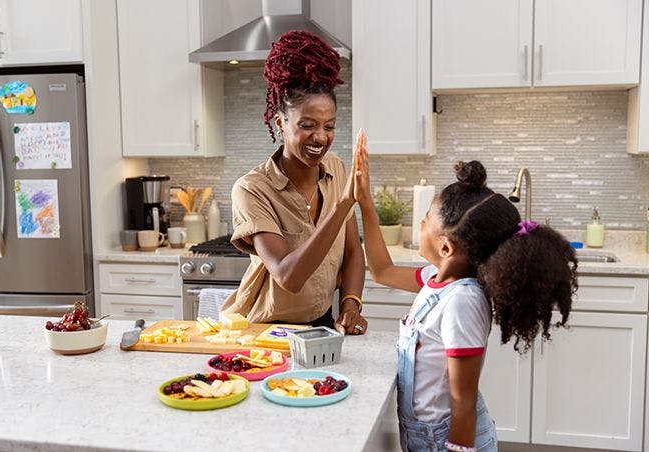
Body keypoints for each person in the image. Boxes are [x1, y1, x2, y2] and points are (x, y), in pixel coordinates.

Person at [353, 152, 578, 451]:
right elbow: (382, 271)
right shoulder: (439, 278)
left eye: (424, 221)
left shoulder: (463, 301)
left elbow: (463, 404)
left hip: (447, 440)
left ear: (446, 246)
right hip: (423, 435)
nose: (419, 224)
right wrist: (365, 202)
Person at [220, 30, 368, 335]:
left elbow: (353, 251)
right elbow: (288, 276)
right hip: (263, 332)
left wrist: (351, 306)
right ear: (280, 123)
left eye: (329, 126)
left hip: (321, 324)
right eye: (307, 125)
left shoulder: (337, 169)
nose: (321, 137)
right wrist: (343, 205)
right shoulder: (252, 188)